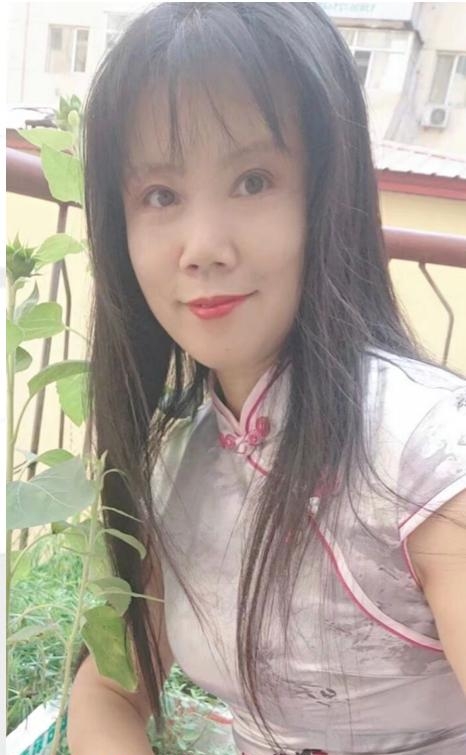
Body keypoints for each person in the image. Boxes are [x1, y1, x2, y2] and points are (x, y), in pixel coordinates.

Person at [67, 3, 466, 754]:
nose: (203, 246)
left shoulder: (427, 457)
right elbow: (110, 689)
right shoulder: (177, 461)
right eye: (160, 195)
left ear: (329, 194)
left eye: (253, 181)